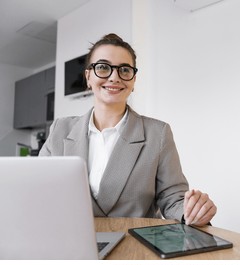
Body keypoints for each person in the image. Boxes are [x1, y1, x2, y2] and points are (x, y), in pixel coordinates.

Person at [39, 33, 216, 226]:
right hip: (72, 241)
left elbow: (173, 198)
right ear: (88, 76)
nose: (115, 77)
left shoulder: (158, 133)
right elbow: (39, 188)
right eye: (103, 67)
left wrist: (192, 211)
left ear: (133, 80)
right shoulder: (60, 129)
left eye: (124, 70)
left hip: (136, 245)